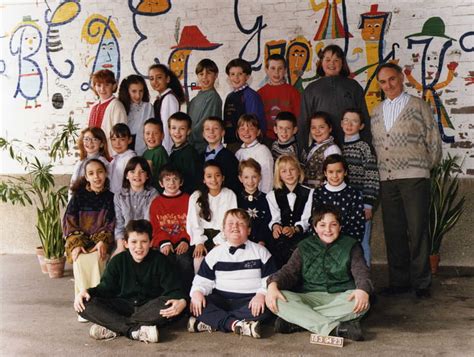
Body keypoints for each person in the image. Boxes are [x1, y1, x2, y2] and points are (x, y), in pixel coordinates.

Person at [371, 63, 442, 298]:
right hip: (387, 179)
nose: (388, 85)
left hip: (414, 178)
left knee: (417, 230)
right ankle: (399, 282)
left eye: (392, 79)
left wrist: (422, 167)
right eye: (383, 82)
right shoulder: (377, 111)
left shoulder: (417, 106)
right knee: (394, 232)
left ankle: (421, 282)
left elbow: (433, 140)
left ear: (401, 78)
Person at [265, 204, 372, 341]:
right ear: (315, 227)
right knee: (277, 299)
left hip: (341, 297)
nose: (328, 230)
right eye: (322, 225)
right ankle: (334, 329)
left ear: (340, 227)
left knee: (362, 303)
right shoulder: (304, 246)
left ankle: (297, 321)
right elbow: (288, 272)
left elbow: (361, 271)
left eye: (333, 225)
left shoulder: (351, 245)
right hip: (310, 297)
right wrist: (273, 284)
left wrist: (363, 290)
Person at [74, 219, 187, 343]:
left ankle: (115, 326)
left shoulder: (161, 261)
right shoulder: (117, 261)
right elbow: (105, 289)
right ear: (126, 243)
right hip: (123, 306)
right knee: (84, 304)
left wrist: (183, 301)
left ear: (151, 242)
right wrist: (86, 291)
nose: (138, 247)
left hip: (149, 308)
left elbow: (175, 290)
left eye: (144, 242)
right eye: (134, 242)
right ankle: (134, 330)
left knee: (173, 305)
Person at [188, 208, 276, 338]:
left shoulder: (261, 252)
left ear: (249, 230)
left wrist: (262, 295)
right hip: (222, 299)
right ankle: (237, 325)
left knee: (269, 306)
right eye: (230, 223)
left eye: (240, 223)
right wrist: (197, 293)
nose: (235, 226)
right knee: (197, 304)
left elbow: (271, 281)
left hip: (250, 301)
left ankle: (214, 321)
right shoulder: (215, 254)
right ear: (223, 230)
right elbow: (202, 281)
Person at [63, 159, 115, 320]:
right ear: (86, 177)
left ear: (105, 174)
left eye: (100, 172)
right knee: (79, 259)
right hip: (81, 240)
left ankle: (99, 305)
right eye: (91, 173)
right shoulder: (78, 197)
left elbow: (111, 223)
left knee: (97, 259)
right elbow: (69, 222)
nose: (96, 177)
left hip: (101, 240)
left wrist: (102, 241)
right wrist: (76, 244)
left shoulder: (111, 197)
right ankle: (83, 307)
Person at [298, 44, 370, 149]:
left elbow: (364, 118)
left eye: (336, 60)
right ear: (321, 62)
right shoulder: (311, 89)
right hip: (322, 146)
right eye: (327, 59)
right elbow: (304, 122)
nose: (331, 63)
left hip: (351, 145)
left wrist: (367, 144)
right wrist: (302, 150)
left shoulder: (353, 86)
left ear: (342, 63)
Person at [341, 109, 380, 266]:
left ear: (362, 125)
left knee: (362, 243)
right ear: (341, 123)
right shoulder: (337, 146)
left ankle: (365, 282)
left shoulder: (364, 147)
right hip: (342, 203)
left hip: (360, 204)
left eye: (354, 121)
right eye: (346, 120)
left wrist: (368, 204)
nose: (349, 124)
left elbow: (372, 175)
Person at [149, 164, 193, 294]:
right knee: (164, 261)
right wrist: (164, 242)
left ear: (181, 182)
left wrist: (185, 240)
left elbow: (192, 224)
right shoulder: (156, 202)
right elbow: (155, 227)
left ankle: (186, 295)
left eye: (175, 179)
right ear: (161, 183)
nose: (171, 183)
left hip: (184, 242)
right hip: (164, 243)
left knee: (184, 261)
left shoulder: (188, 199)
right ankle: (168, 294)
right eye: (167, 180)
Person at [187, 160, 237, 272]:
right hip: (202, 236)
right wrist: (199, 242)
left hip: (223, 237)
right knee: (198, 260)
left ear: (223, 178)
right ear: (204, 179)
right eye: (209, 176)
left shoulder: (229, 195)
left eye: (217, 175)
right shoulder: (196, 196)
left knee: (219, 260)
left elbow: (231, 222)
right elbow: (193, 222)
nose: (214, 180)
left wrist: (219, 242)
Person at [266, 155, 313, 268]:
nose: (289, 174)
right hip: (281, 238)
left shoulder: (310, 193)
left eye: (292, 169)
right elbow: (274, 217)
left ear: (298, 171)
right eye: (284, 171)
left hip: (301, 236)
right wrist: (276, 227)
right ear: (279, 175)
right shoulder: (272, 195)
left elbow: (307, 219)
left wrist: (294, 229)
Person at [313, 154, 365, 243]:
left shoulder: (353, 193)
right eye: (331, 172)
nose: (335, 176)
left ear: (345, 172)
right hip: (323, 241)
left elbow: (357, 224)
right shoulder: (318, 193)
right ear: (325, 173)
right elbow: (315, 220)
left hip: (347, 243)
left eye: (339, 171)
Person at [113, 157, 158, 256]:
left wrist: (141, 244)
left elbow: (149, 222)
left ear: (147, 176)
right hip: (126, 241)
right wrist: (121, 246)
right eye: (132, 171)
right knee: (115, 261)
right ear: (126, 175)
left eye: (142, 172)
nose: (137, 175)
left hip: (146, 241)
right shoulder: (119, 195)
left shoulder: (153, 194)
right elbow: (119, 223)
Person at [223, 58, 265, 151]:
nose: (236, 77)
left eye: (240, 74)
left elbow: (255, 123)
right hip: (231, 143)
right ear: (228, 77)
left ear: (247, 76)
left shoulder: (251, 96)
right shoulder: (229, 96)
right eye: (232, 74)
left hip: (246, 144)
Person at [257, 54, 301, 143]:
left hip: (288, 139)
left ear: (285, 70)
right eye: (272, 68)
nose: (276, 72)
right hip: (266, 139)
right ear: (266, 70)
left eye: (280, 68)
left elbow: (299, 118)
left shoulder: (293, 92)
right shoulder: (260, 93)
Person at [88, 69, 127, 155]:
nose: (102, 89)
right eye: (99, 85)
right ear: (94, 87)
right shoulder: (93, 106)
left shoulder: (116, 106)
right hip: (95, 154)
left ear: (113, 86)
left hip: (111, 155)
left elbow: (120, 135)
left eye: (107, 85)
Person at [148, 64, 185, 154]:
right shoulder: (161, 98)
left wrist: (165, 152)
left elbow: (167, 127)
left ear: (167, 79)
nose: (155, 81)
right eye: (152, 78)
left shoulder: (169, 98)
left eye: (159, 77)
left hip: (166, 149)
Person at [188, 59, 223, 154]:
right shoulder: (194, 99)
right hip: (192, 147)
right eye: (201, 74)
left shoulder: (213, 97)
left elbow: (204, 125)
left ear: (215, 75)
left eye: (209, 73)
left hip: (204, 149)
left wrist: (187, 135)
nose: (205, 77)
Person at [300, 111, 341, 188]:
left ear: (330, 128)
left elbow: (335, 177)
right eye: (313, 127)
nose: (317, 131)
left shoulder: (332, 149)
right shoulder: (312, 147)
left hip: (322, 194)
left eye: (321, 127)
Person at [235, 114, 274, 193]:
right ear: (238, 132)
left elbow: (268, 179)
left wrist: (264, 198)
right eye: (242, 129)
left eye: (251, 129)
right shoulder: (238, 153)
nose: (246, 132)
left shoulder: (262, 150)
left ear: (258, 132)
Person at [201, 116, 241, 194]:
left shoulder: (230, 158)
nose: (211, 132)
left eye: (215, 128)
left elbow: (233, 185)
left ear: (223, 132)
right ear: (203, 134)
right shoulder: (199, 157)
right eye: (207, 129)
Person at [237, 159, 272, 246]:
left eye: (254, 177)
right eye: (246, 177)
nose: (250, 181)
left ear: (260, 177)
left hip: (262, 244)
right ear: (240, 178)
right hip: (240, 242)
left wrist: (262, 240)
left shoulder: (267, 198)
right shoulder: (236, 199)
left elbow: (267, 221)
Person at [69, 127, 111, 201]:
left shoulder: (104, 163)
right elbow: (72, 185)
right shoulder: (80, 162)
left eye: (94, 139)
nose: (90, 142)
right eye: (86, 139)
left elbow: (107, 187)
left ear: (101, 144)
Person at [118, 74, 154, 155]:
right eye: (134, 91)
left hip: (142, 148)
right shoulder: (120, 107)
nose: (138, 95)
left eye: (141, 91)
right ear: (127, 91)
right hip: (124, 148)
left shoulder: (148, 107)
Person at [168, 112, 202, 194]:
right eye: (173, 128)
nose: (177, 132)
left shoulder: (190, 154)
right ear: (169, 130)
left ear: (188, 131)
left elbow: (192, 182)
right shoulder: (174, 151)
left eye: (182, 128)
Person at [108, 123, 137, 194]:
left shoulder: (130, 158)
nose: (117, 143)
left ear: (129, 140)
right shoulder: (115, 158)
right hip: (113, 195)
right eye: (114, 139)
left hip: (124, 197)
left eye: (122, 139)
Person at [142, 118, 169, 190]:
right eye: (147, 133)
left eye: (155, 133)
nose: (151, 136)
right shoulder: (146, 152)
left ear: (162, 136)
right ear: (143, 135)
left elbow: (162, 176)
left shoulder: (159, 152)